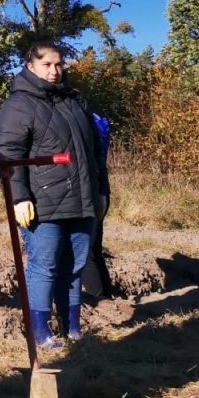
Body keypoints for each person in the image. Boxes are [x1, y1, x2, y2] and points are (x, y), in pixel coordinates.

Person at [0, 42, 108, 349]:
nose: (54, 71)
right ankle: (40, 331)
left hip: (81, 199)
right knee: (44, 265)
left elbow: (94, 153)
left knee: (74, 265)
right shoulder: (19, 105)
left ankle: (72, 326)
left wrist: (101, 191)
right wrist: (19, 197)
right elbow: (9, 156)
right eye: (47, 64)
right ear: (30, 66)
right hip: (42, 203)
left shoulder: (74, 101)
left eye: (59, 65)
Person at [81, 112, 113, 301]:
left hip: (90, 194)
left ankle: (100, 300)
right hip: (100, 191)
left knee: (86, 253)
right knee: (94, 252)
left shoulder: (84, 123)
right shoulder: (95, 121)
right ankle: (107, 298)